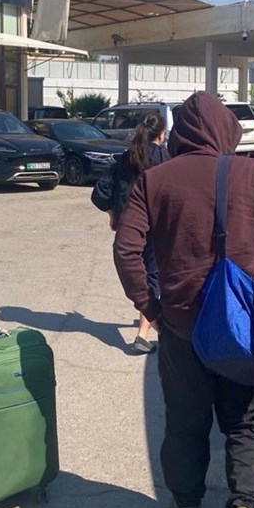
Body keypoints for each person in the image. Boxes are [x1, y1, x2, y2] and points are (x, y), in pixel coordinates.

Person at [113, 92, 254, 508]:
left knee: (185, 420)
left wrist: (149, 305)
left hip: (180, 327)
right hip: (243, 329)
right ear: (226, 130)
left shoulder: (154, 179)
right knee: (248, 423)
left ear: (179, 133)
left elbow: (126, 247)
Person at [95, 112, 169, 354]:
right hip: (156, 227)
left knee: (139, 274)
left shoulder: (126, 158)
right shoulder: (165, 158)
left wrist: (113, 214)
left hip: (129, 228)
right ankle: (144, 333)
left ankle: (147, 319)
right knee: (152, 275)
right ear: (161, 134)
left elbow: (100, 193)